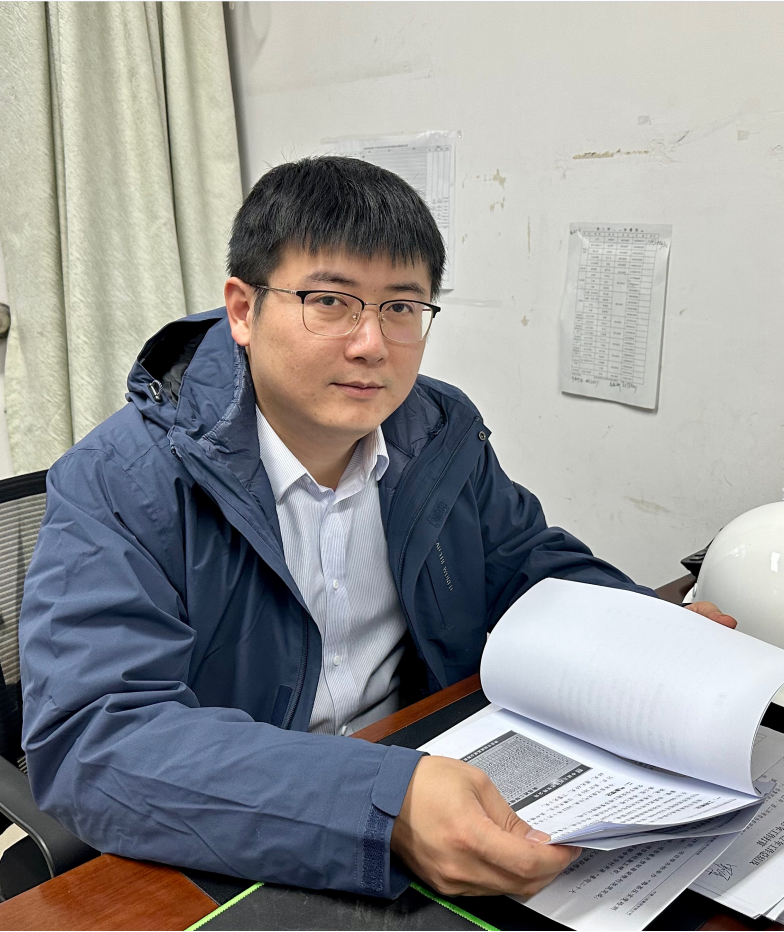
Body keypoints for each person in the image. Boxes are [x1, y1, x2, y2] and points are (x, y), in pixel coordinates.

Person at [19, 157, 735, 900]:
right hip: (237, 832)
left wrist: (648, 629)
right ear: (243, 310)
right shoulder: (121, 478)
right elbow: (94, 743)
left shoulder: (436, 430)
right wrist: (383, 803)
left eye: (401, 307)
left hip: (432, 772)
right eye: (330, 301)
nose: (372, 344)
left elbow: (525, 563)